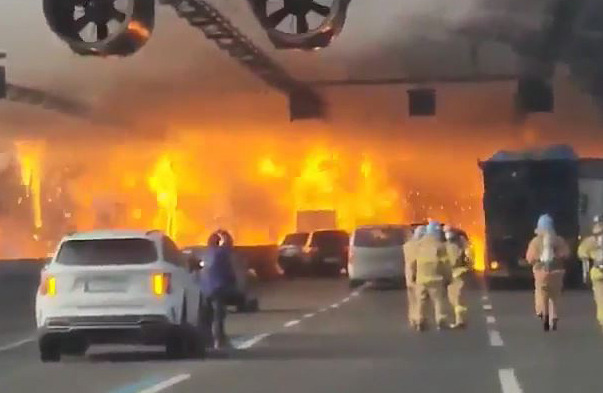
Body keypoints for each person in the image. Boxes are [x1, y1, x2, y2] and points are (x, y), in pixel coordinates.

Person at [525, 214, 571, 331]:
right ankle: (554, 315)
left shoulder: (535, 242)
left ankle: (543, 313)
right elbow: (566, 254)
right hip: (557, 273)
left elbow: (530, 258)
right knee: (555, 296)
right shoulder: (559, 240)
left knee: (541, 293)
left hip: (541, 273)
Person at [409, 221, 452, 331]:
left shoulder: (418, 245)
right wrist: (448, 277)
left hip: (421, 277)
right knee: (438, 300)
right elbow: (445, 263)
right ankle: (440, 320)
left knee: (421, 300)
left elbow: (413, 262)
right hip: (436, 277)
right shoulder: (440, 246)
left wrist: (413, 275)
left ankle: (420, 321)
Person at [199, 230, 237, 349]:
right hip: (218, 288)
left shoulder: (205, 254)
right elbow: (229, 244)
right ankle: (220, 341)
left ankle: (207, 341)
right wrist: (224, 233)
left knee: (207, 317)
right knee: (218, 316)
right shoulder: (221, 253)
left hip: (205, 290)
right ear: (217, 242)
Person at [578, 218, 603, 331]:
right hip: (597, 272)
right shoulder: (589, 242)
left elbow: (584, 258)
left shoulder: (589, 242)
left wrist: (585, 275)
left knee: (600, 298)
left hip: (597, 272)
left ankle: (602, 319)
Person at [443, 225, 470, 329]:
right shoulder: (458, 245)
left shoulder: (455, 246)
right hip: (455, 274)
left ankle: (460, 320)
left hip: (457, 274)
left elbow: (453, 261)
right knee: (454, 298)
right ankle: (460, 319)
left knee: (457, 298)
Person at [404, 225, 425, 329]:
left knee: (411, 299)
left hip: (408, 276)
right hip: (417, 275)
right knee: (420, 299)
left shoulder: (407, 245)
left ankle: (412, 319)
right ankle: (419, 319)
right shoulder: (420, 246)